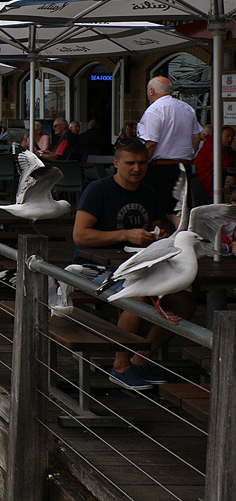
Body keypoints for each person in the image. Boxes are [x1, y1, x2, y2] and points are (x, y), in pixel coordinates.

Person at [72, 139, 195, 390]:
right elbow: (80, 236)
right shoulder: (98, 190)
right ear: (116, 163)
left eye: (142, 163)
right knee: (137, 298)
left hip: (140, 266)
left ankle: (140, 359)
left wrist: (159, 235)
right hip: (95, 269)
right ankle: (120, 366)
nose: (137, 169)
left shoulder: (148, 192)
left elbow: (156, 227)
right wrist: (125, 235)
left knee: (185, 301)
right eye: (130, 163)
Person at [138, 76, 203, 220]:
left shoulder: (154, 110)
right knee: (179, 210)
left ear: (151, 91)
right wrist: (189, 155)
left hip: (160, 168)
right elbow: (197, 137)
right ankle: (180, 238)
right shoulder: (187, 108)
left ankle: (162, 239)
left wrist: (141, 163)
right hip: (184, 165)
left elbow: (151, 143)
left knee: (155, 210)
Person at [193, 124, 236, 194]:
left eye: (232, 137)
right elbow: (225, 162)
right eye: (227, 136)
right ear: (219, 136)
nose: (230, 139)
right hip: (206, 182)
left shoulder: (225, 148)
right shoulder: (212, 146)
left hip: (214, 180)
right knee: (230, 180)